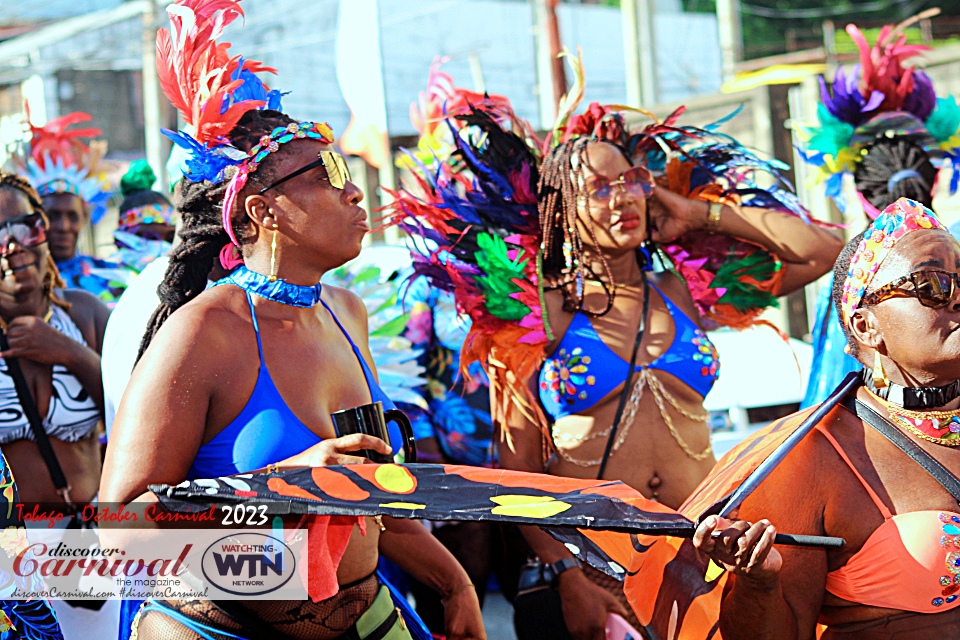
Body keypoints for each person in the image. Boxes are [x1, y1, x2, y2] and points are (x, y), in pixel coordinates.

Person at [386, 57, 844, 638]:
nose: (620, 198)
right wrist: (565, 571)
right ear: (561, 209)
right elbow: (518, 467)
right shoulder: (537, 313)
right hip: (591, 565)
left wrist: (700, 212)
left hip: (699, 549)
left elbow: (827, 251)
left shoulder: (683, 286)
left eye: (629, 181)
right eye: (597, 189)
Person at [100, 3, 484, 639]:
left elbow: (372, 490)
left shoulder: (346, 312)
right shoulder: (206, 331)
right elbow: (118, 528)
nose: (354, 190)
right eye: (328, 173)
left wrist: (453, 584)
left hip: (368, 618)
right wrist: (283, 484)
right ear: (263, 209)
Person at [691, 198, 960, 639]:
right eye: (932, 284)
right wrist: (760, 582)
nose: (956, 297)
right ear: (866, 325)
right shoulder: (810, 457)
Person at [799, 20, 960, 407]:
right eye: (931, 286)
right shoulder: (851, 280)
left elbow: (829, 398)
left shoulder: (848, 282)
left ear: (857, 188)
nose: (954, 297)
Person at [0, 171, 113, 638]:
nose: (13, 246)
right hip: (10, 550)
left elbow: (142, 418)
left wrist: (71, 353)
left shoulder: (86, 313)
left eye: (26, 227)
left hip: (92, 540)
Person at [111, 159, 177, 273]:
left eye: (171, 240)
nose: (163, 249)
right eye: (148, 239)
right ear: (120, 241)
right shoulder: (102, 285)